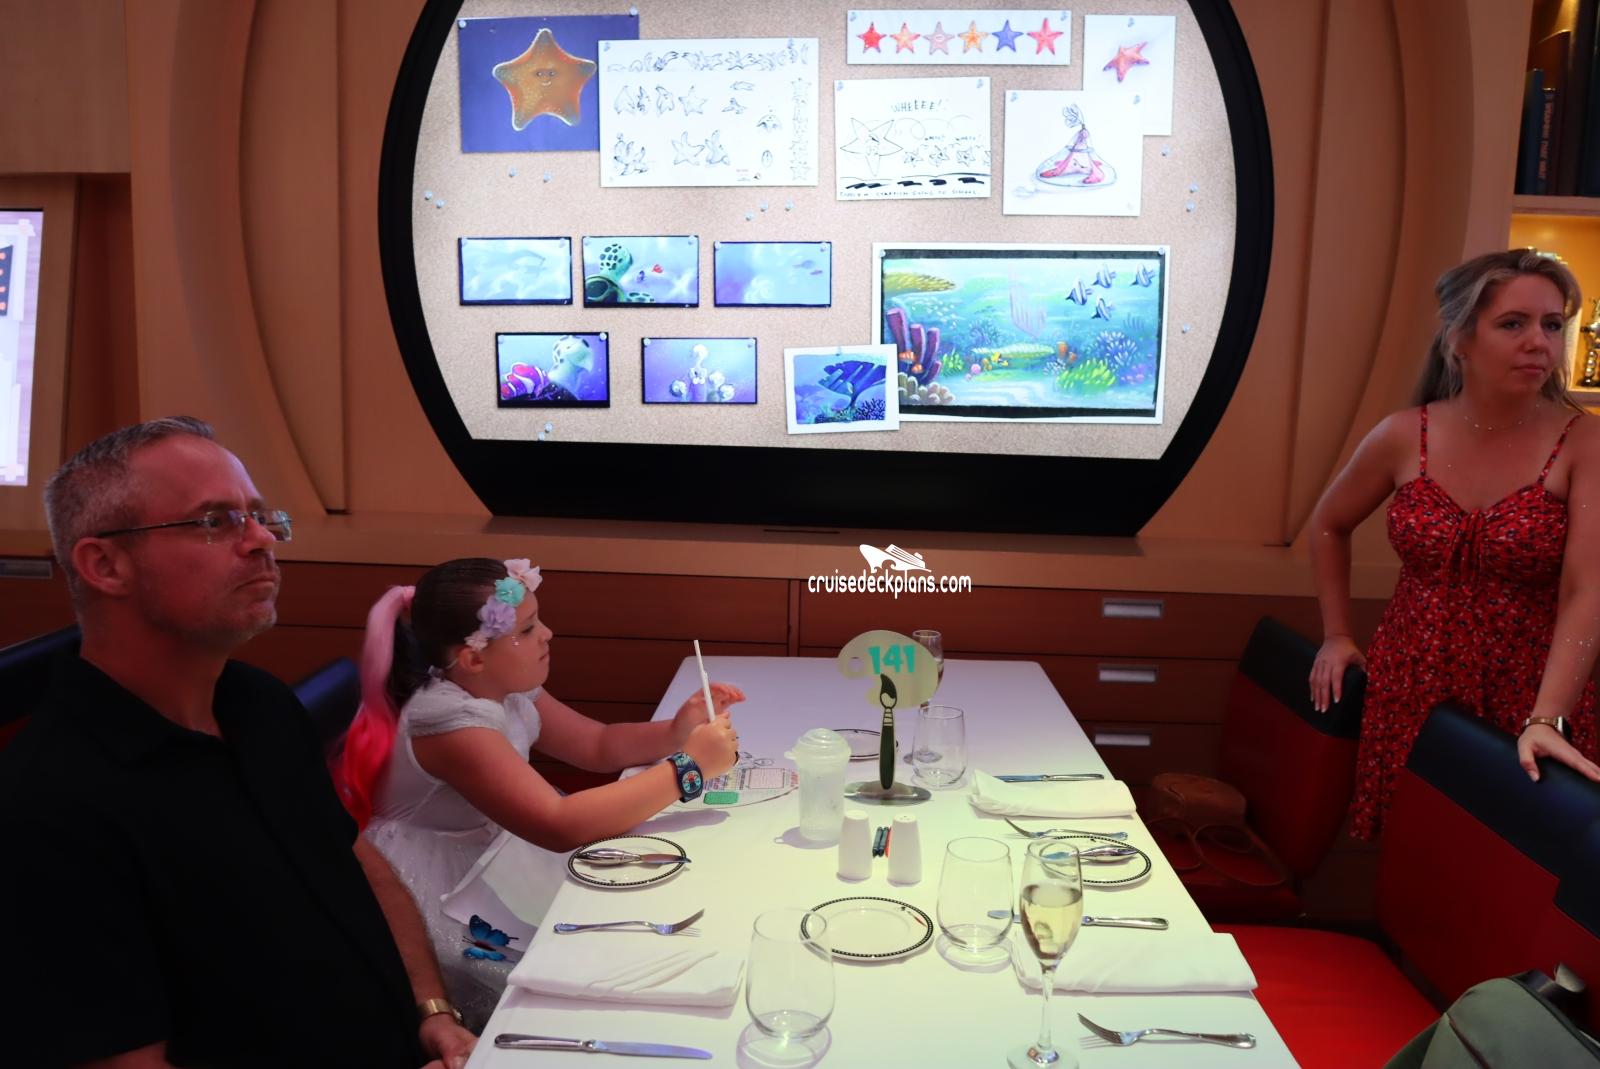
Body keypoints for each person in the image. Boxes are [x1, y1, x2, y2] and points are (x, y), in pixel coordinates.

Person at [0, 417, 476, 1068]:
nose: (261, 540)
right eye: (215, 521)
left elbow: (352, 858)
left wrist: (433, 1012)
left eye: (258, 515)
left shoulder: (259, 702)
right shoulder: (49, 808)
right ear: (105, 564)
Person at [332, 558, 742, 1025]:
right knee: (554, 986)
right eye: (527, 630)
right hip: (442, 885)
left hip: (499, 847)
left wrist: (675, 730)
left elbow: (595, 744)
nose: (547, 634)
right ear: (473, 658)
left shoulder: (502, 684)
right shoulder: (451, 725)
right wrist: (688, 768)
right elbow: (557, 825)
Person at [1309, 249, 1600, 840]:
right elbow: (1328, 524)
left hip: (1534, 690)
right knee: (1414, 856)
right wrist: (1337, 634)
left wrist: (1548, 716)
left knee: (1519, 863)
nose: (1539, 342)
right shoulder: (1403, 435)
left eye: (1552, 325)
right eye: (1513, 324)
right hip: (1411, 682)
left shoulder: (1583, 441)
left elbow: (1587, 588)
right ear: (1459, 338)